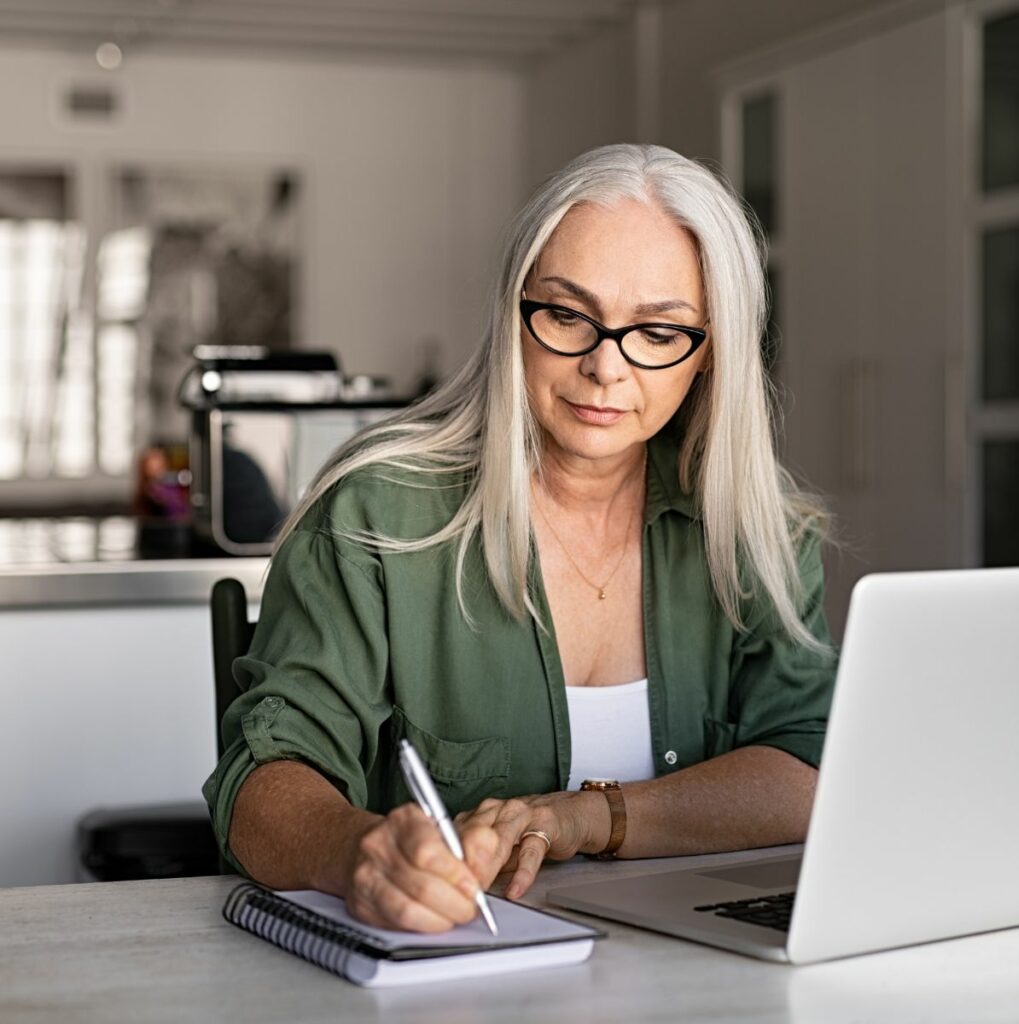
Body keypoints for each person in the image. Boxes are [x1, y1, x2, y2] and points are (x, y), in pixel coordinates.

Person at [203, 143, 836, 934]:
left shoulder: (758, 528)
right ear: (514, 313)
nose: (606, 367)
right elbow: (261, 781)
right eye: (569, 315)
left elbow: (809, 769)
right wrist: (355, 852)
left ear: (710, 354)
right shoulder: (374, 511)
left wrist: (585, 818)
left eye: (658, 331)